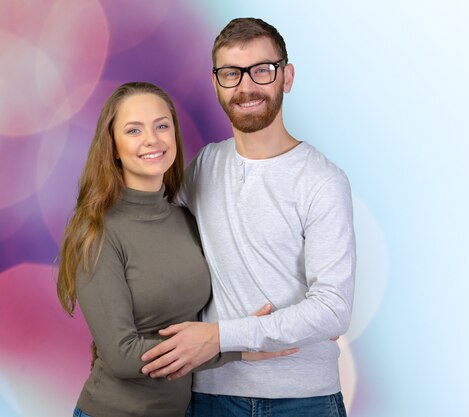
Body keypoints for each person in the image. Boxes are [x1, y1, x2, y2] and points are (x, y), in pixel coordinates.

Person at [140, 18, 356, 417]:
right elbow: (147, 233)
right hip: (210, 396)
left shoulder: (323, 181)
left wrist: (221, 337)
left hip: (303, 401)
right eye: (231, 74)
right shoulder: (205, 165)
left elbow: (332, 309)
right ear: (217, 84)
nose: (246, 86)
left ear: (286, 77)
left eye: (262, 70)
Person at [56, 81, 294, 417]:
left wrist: (290, 319)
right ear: (113, 146)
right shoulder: (97, 232)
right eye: (134, 130)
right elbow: (122, 355)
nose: (152, 139)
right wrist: (232, 347)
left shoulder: (184, 218)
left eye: (162, 126)